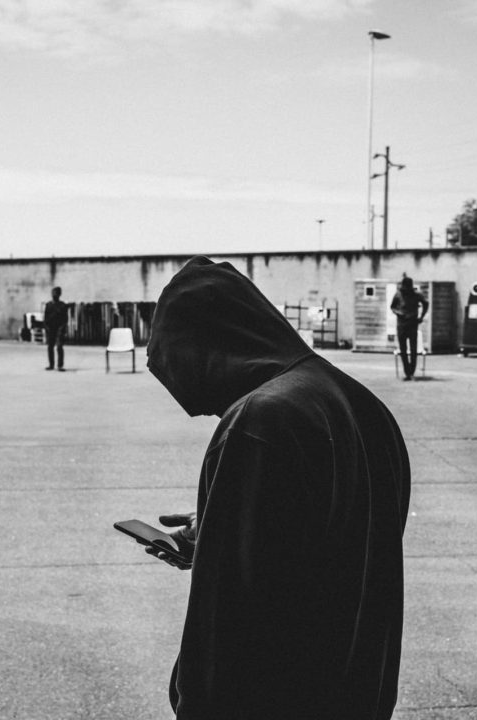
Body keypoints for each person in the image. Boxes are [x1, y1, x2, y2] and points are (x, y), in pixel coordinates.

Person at [143, 256, 411, 720]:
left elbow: (227, 617)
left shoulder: (262, 418)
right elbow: (331, 541)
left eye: (202, 391)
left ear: (209, 352)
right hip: (358, 694)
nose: (211, 412)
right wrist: (221, 527)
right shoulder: (365, 407)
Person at [390, 276, 429, 381]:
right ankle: (407, 372)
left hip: (412, 324)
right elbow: (392, 307)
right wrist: (399, 313)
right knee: (403, 350)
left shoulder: (416, 295)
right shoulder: (398, 294)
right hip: (401, 325)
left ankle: (411, 371)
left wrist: (421, 316)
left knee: (413, 350)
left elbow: (426, 303)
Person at [43, 286, 67, 371]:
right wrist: (47, 328)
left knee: (59, 346)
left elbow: (65, 319)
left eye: (56, 293)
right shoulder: (48, 305)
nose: (54, 295)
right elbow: (45, 318)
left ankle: (60, 365)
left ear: (59, 294)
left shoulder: (62, 305)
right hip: (51, 329)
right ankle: (51, 364)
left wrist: (61, 329)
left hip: (59, 329)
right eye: (53, 293)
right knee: (50, 347)